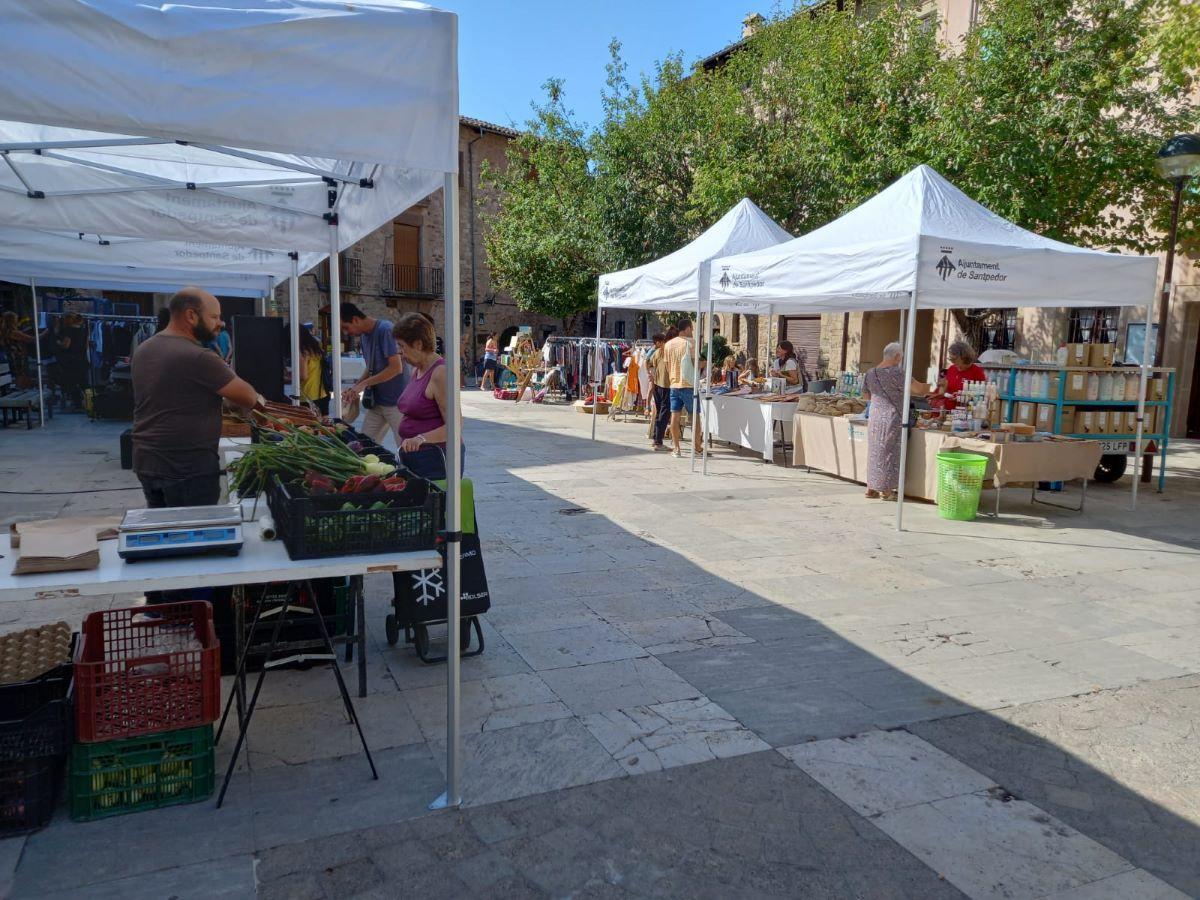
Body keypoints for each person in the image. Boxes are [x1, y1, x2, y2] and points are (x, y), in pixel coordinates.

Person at [131, 287, 261, 508]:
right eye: (214, 317)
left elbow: (176, 394)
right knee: (195, 535)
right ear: (191, 316)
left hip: (147, 460)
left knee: (165, 532)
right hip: (187, 466)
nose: (220, 323)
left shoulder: (145, 348)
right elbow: (248, 396)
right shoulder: (198, 356)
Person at [392, 312, 464, 481]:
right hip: (417, 458)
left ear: (418, 344)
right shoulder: (417, 369)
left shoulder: (441, 373)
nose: (400, 352)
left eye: (402, 346)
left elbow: (455, 425)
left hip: (435, 459)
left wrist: (420, 438)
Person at [861, 341, 931, 501]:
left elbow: (865, 396)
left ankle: (871, 487)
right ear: (897, 356)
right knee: (889, 453)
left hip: (875, 416)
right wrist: (935, 386)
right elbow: (919, 390)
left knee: (874, 452)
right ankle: (885, 490)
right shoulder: (899, 373)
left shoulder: (870, 373)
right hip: (892, 416)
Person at [339, 303, 411, 444]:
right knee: (364, 446)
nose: (347, 333)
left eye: (346, 327)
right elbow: (371, 368)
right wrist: (355, 387)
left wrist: (364, 384)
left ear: (355, 320)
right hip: (377, 402)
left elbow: (396, 368)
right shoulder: (365, 336)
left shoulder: (386, 329)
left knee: (405, 450)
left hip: (397, 403)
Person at [663, 320, 702, 459]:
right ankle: (697, 447)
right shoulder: (690, 343)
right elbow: (695, 363)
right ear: (686, 329)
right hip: (689, 384)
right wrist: (706, 363)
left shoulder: (668, 345)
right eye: (691, 329)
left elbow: (667, 367)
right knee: (695, 416)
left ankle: (676, 448)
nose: (692, 331)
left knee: (675, 416)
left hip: (674, 384)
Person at [931, 341, 987, 410]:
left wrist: (962, 396)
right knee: (915, 411)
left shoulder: (977, 372)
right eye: (950, 359)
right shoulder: (951, 369)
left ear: (964, 357)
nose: (952, 361)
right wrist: (937, 392)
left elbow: (982, 395)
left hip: (965, 413)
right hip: (947, 411)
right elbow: (943, 392)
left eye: (954, 359)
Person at [54, 312, 89, 410]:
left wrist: (57, 342)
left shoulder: (68, 330)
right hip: (82, 359)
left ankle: (77, 403)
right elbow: (86, 346)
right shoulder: (83, 329)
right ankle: (90, 402)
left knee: (69, 382)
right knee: (84, 383)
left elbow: (66, 345)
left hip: (71, 361)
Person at [648, 330, 673, 451]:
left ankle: (655, 438)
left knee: (660, 413)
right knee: (664, 413)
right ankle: (658, 441)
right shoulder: (666, 352)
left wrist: (652, 374)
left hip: (658, 385)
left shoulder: (657, 352)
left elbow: (648, 363)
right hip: (665, 385)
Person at [297, 325, 330, 415]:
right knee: (324, 426)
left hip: (308, 396)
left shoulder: (303, 352)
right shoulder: (318, 349)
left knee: (309, 427)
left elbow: (303, 376)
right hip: (323, 393)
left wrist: (287, 377)